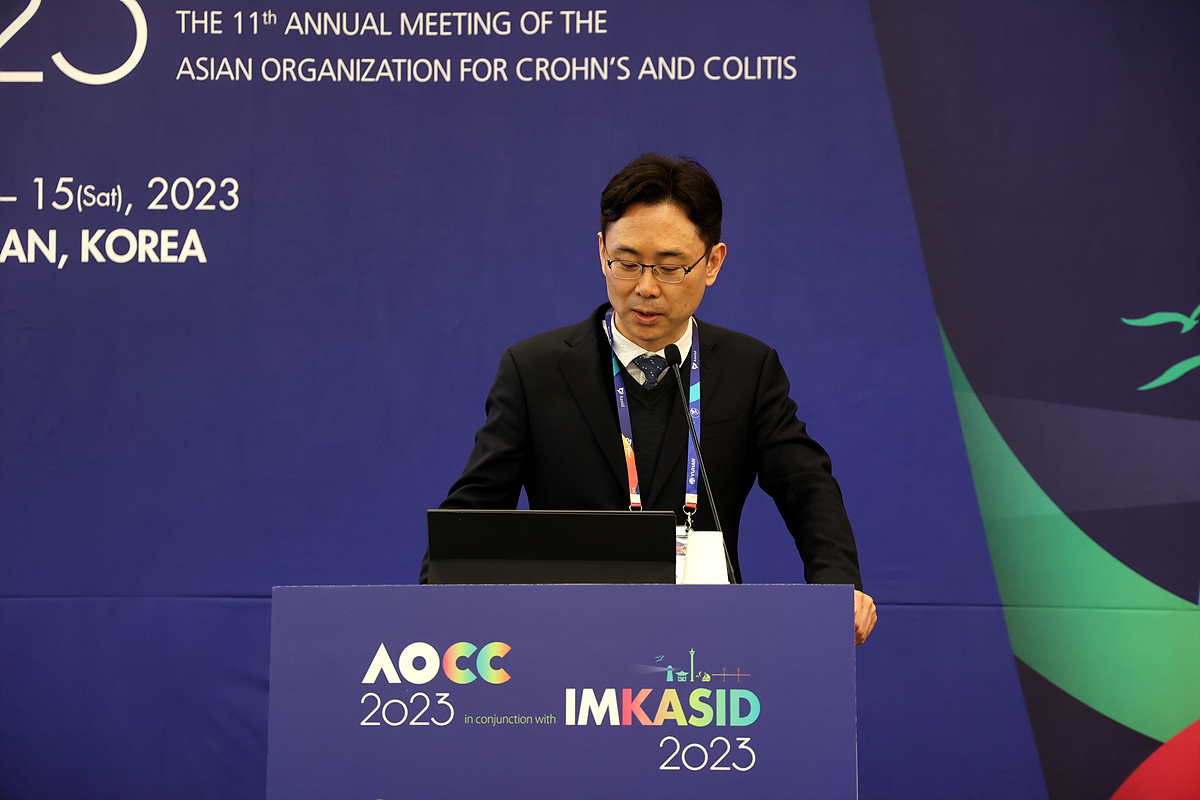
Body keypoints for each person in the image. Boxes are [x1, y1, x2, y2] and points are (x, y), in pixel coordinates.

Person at [427, 153, 877, 644]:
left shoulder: (748, 369)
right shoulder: (534, 370)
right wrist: (427, 613)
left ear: (713, 263)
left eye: (669, 268)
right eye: (626, 264)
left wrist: (838, 585)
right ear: (601, 251)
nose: (645, 288)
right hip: (567, 641)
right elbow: (474, 511)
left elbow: (807, 486)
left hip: (706, 643)